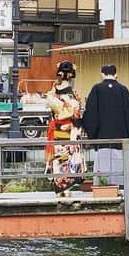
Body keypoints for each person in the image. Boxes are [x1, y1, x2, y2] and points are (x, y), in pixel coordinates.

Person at [81, 64, 129, 186]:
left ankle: (102, 189)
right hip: (120, 140)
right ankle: (120, 189)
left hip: (102, 140)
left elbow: (90, 114)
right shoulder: (123, 90)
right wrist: (128, 134)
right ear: (116, 74)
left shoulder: (96, 89)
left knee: (103, 170)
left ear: (102, 74)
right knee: (119, 170)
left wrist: (93, 135)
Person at [44, 61, 85, 195]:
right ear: (72, 76)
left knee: (59, 159)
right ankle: (68, 191)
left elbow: (52, 111)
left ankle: (60, 190)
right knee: (71, 158)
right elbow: (77, 116)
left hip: (57, 129)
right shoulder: (74, 95)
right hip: (71, 130)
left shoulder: (52, 94)